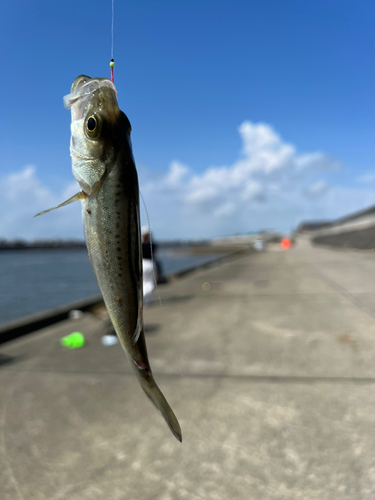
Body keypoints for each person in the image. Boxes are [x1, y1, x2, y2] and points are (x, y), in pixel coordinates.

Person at [141, 227, 163, 304]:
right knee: (150, 282)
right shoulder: (153, 245)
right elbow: (156, 257)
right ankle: (146, 297)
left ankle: (146, 298)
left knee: (144, 282)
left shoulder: (140, 245)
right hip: (150, 264)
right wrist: (160, 271)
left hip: (142, 264)